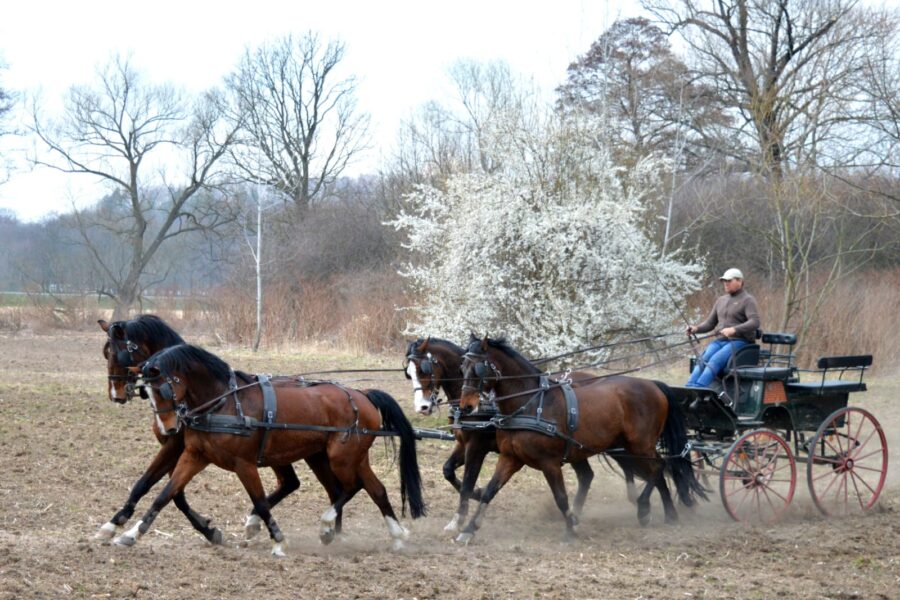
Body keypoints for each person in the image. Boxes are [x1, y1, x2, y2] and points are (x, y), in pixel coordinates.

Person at [686, 268, 761, 388]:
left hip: (740, 342)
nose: (725, 283)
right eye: (724, 281)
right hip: (720, 341)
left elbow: (755, 322)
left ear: (739, 281)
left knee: (714, 361)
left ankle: (699, 388)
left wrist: (734, 329)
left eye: (729, 281)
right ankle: (689, 387)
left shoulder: (748, 300)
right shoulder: (721, 300)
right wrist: (696, 328)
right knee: (702, 360)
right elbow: (710, 323)